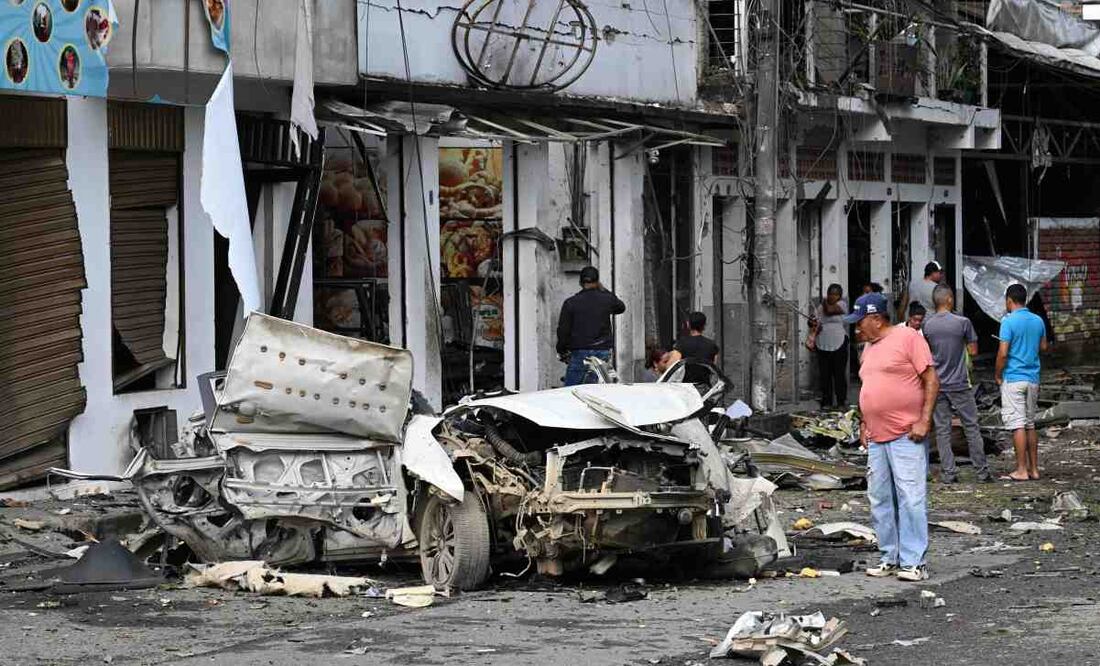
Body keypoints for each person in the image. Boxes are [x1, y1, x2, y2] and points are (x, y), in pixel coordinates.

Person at [845, 292, 939, 582]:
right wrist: (864, 422)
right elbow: (870, 389)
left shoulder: (908, 338)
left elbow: (931, 379)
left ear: (876, 318)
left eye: (860, 322)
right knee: (880, 499)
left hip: (906, 434)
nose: (857, 328)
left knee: (910, 497)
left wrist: (924, 420)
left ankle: (915, 562)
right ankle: (890, 556)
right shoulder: (869, 349)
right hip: (877, 437)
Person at [923, 285, 990, 484]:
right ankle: (982, 472)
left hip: (937, 385)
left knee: (942, 430)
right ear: (950, 300)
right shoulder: (963, 322)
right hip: (960, 383)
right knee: (971, 426)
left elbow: (925, 355)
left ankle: (949, 473)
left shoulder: (927, 325)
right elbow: (974, 350)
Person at [996, 284, 1048, 481]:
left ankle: (1021, 470)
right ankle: (1034, 469)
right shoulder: (1038, 320)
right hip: (1033, 378)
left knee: (1017, 424)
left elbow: (1002, 353)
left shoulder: (1008, 322)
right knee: (1030, 424)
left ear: (1009, 301)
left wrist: (998, 375)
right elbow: (1043, 346)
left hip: (1014, 378)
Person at [557, 267, 626, 386]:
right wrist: (604, 290)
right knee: (597, 388)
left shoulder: (571, 303)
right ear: (597, 281)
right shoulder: (607, 299)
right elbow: (621, 307)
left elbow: (563, 330)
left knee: (570, 391)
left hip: (580, 352)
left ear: (580, 282)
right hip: (602, 351)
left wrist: (562, 350)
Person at [808, 284, 849, 409]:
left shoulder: (842, 305)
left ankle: (841, 402)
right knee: (825, 375)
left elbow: (829, 311)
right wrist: (812, 322)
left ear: (840, 296)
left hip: (839, 343)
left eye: (835, 294)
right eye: (830, 293)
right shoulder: (820, 307)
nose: (832, 296)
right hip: (823, 343)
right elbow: (812, 322)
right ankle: (827, 402)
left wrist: (825, 301)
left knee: (839, 374)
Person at [667, 312, 720, 384]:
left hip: (687, 388)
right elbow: (713, 369)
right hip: (705, 388)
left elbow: (671, 366)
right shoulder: (712, 345)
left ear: (688, 324)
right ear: (704, 326)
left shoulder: (682, 344)